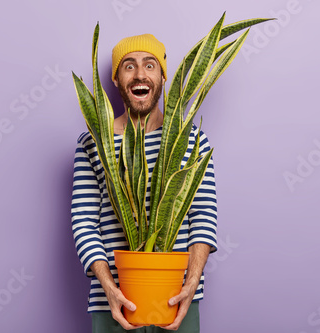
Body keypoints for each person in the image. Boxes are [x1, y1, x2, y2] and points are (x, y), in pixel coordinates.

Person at [71, 33, 218, 332]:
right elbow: (84, 221)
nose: (140, 74)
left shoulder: (192, 140)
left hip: (178, 300)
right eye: (129, 66)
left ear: (163, 76)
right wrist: (109, 289)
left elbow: (203, 216)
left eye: (150, 65)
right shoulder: (93, 143)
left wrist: (191, 284)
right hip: (112, 303)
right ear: (116, 79)